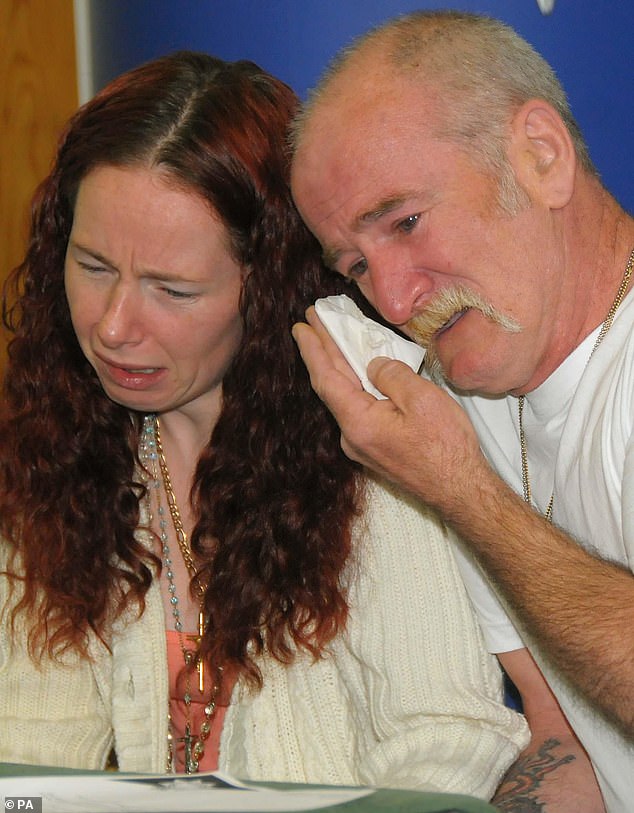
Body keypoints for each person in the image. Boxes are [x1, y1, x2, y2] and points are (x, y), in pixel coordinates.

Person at [0, 50, 528, 796]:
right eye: (92, 266)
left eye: (171, 289)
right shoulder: (57, 450)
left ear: (268, 289)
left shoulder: (380, 441)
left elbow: (446, 741)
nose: (114, 327)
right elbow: (30, 751)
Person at [290, 8, 634, 813]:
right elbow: (568, 745)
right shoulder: (473, 401)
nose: (397, 297)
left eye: (406, 222)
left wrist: (466, 494)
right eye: (356, 266)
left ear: (541, 157)